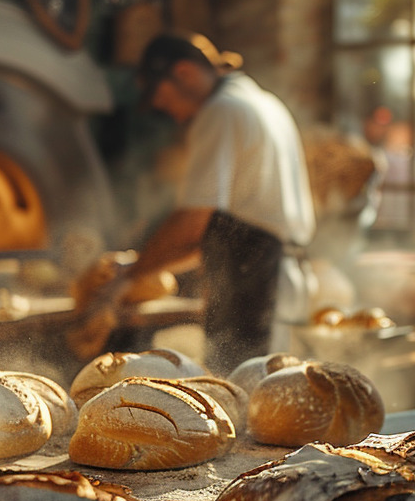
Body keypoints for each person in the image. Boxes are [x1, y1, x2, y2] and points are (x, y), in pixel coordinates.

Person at [110, 33, 317, 375]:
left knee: (243, 401)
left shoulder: (221, 111)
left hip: (256, 280)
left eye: (163, 99)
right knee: (265, 399)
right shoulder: (261, 101)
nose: (171, 115)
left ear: (185, 73)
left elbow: (193, 223)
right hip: (279, 273)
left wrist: (131, 274)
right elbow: (207, 231)